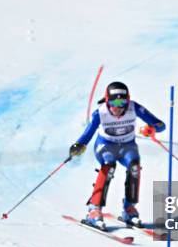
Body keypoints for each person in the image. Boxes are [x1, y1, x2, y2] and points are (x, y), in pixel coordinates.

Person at [69, 81, 165, 230]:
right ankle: (94, 210)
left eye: (122, 102)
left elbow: (160, 125)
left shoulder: (134, 107)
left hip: (127, 146)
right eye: (114, 102)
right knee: (109, 165)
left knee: (134, 166)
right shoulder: (100, 113)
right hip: (106, 145)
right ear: (107, 100)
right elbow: (88, 134)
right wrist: (79, 145)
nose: (118, 107)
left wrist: (151, 129)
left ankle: (129, 208)